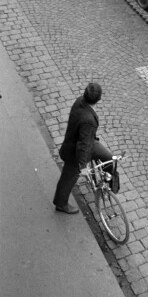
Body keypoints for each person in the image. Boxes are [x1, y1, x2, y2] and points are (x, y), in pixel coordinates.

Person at [52, 82, 111, 214]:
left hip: (83, 143)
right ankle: (61, 204)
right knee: (68, 178)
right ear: (99, 100)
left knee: (108, 158)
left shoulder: (80, 101)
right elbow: (82, 145)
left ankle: (108, 183)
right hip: (75, 154)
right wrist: (83, 166)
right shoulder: (88, 120)